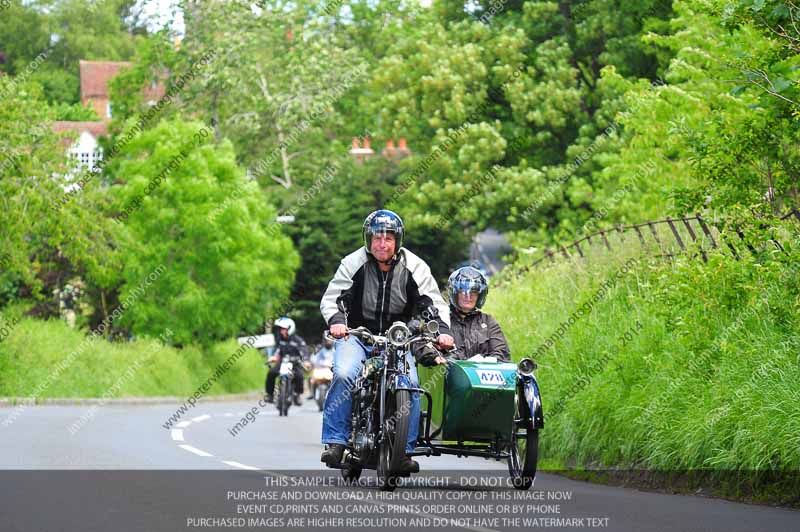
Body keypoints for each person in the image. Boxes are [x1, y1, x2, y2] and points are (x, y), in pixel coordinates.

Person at [319, 209, 454, 472]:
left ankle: (402, 452)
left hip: (398, 339)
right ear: (368, 240)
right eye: (377, 238)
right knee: (346, 373)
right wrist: (337, 322)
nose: (382, 244)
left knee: (412, 384)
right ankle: (336, 441)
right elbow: (333, 297)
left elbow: (432, 301)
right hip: (357, 335)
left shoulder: (414, 265)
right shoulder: (353, 262)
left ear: (397, 241)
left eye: (388, 238)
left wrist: (443, 331)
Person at [418, 266, 509, 366]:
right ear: (455, 292)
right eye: (463, 291)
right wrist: (435, 357)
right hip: (447, 376)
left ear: (480, 295)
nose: (468, 297)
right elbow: (422, 346)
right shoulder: (439, 319)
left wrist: (484, 361)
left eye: (473, 292)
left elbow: (501, 353)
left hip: (481, 377)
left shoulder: (487, 321)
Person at [264, 317, 308, 405]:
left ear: (290, 328)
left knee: (299, 376)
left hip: (295, 363)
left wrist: (306, 360)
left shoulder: (298, 340)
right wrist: (273, 357)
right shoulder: (280, 340)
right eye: (281, 329)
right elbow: (277, 351)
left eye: (284, 329)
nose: (281, 331)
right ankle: (270, 395)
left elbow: (304, 351)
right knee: (271, 373)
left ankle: (297, 395)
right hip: (282, 363)